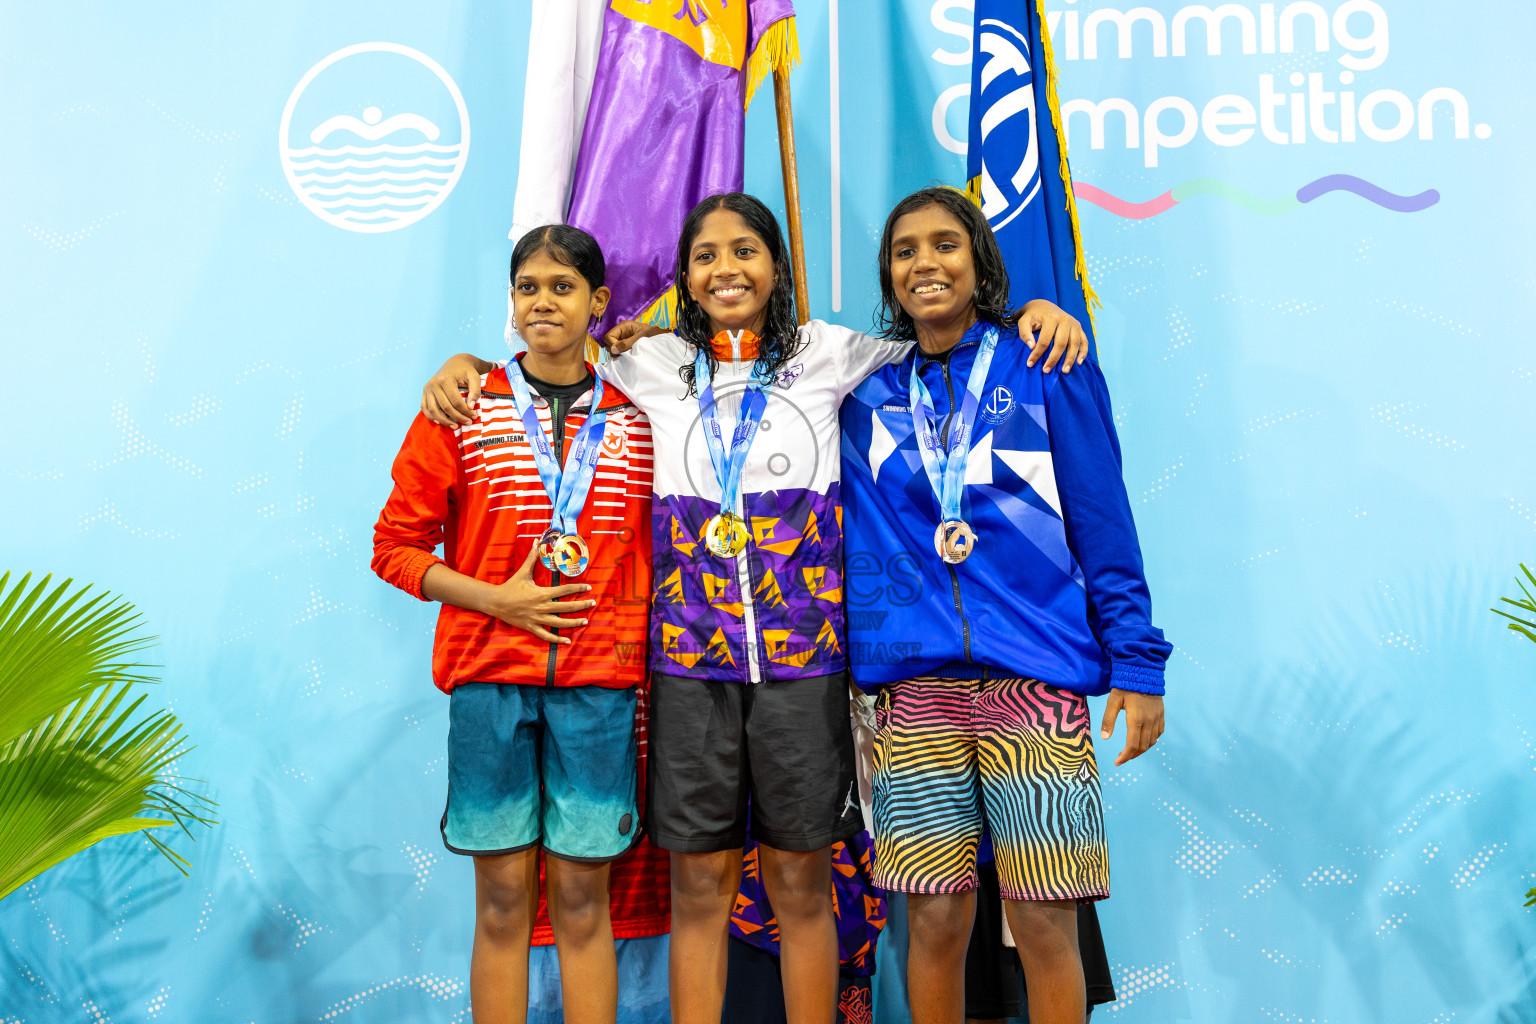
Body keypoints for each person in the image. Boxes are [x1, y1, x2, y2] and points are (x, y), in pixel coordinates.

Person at [418, 193, 1089, 1024]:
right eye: (706, 256)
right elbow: (545, 360)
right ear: (687, 279)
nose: (726, 268)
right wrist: (462, 365)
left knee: (799, 883)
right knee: (699, 886)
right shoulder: (646, 364)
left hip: (805, 670)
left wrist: (1030, 310)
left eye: (745, 251)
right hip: (688, 669)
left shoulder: (835, 353)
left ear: (777, 266)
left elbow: (941, 330)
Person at [838, 186, 1172, 1024]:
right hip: (914, 694)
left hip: (1035, 682)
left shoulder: (1047, 364)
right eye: (906, 249)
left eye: (946, 244)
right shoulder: (864, 392)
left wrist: (1137, 661)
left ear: (979, 261)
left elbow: (1104, 521)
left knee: (1044, 916)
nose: (926, 263)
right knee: (937, 918)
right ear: (888, 273)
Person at [371, 225, 659, 1024]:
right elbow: (393, 548)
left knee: (580, 899)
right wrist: (495, 598)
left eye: (562, 288)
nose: (542, 302)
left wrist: (652, 335)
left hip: (601, 687)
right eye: (527, 287)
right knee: (502, 903)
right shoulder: (464, 406)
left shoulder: (641, 410)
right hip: (488, 684)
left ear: (598, 303)